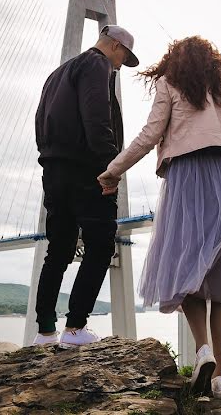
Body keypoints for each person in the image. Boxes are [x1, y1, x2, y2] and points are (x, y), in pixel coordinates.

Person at [98, 36, 221, 398]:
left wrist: (113, 171)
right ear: (215, 61)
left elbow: (149, 135)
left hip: (188, 180)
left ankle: (203, 350)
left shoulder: (169, 84)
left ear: (175, 62)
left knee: (186, 270)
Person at [32, 25, 140, 347]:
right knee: (101, 245)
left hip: (53, 172)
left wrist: (51, 159)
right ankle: (76, 329)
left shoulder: (57, 73)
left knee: (59, 249)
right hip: (88, 172)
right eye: (124, 58)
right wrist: (111, 167)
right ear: (116, 47)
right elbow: (97, 119)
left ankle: (45, 332)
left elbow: (40, 122)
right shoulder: (98, 65)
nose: (121, 66)